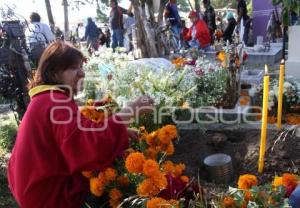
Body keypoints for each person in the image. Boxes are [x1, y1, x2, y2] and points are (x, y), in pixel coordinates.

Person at [7, 41, 154, 207]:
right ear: (54, 73)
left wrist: (120, 130)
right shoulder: (54, 103)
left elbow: (78, 130)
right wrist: (131, 110)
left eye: (81, 67)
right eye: (74, 68)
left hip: (33, 186)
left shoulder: (47, 99)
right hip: (48, 195)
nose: (82, 73)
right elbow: (87, 142)